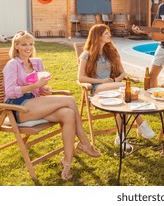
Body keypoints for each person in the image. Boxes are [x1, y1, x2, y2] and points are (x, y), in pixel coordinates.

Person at [3, 31, 101, 181]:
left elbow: (39, 88)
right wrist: (35, 86)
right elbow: (9, 92)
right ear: (16, 46)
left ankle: (67, 162)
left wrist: (43, 89)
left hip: (34, 104)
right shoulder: (12, 65)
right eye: (24, 44)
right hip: (18, 108)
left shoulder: (36, 62)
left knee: (68, 113)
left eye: (31, 44)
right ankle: (84, 143)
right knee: (70, 101)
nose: (28, 48)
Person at [77, 24, 156, 149]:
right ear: (98, 36)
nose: (110, 35)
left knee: (123, 99)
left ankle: (121, 137)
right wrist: (102, 81)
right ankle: (141, 124)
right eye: (106, 33)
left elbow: (122, 73)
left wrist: (115, 80)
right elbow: (81, 78)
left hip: (114, 87)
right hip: (98, 89)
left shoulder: (112, 52)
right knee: (126, 91)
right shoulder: (86, 54)